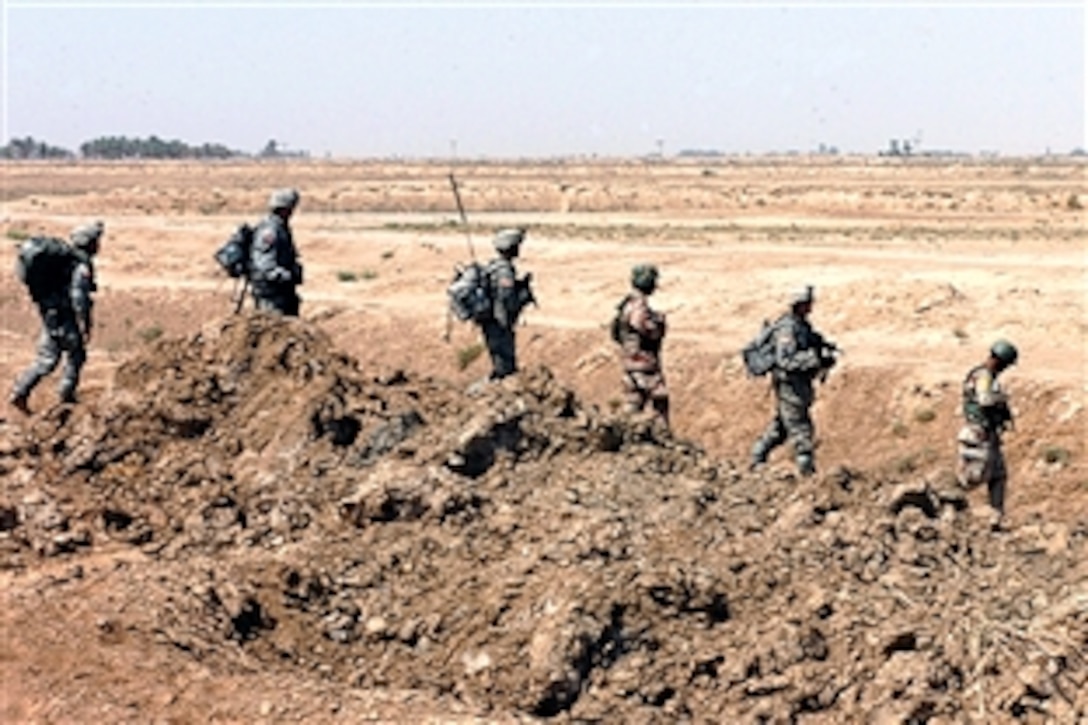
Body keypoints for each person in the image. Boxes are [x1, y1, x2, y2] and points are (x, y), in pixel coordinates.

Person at [10, 221, 103, 412]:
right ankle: (65, 396)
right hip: (64, 316)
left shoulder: (65, 259)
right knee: (76, 355)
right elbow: (79, 297)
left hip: (50, 313)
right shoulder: (79, 265)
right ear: (90, 244)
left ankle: (20, 392)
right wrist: (85, 323)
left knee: (47, 358)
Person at [749, 285, 837, 476]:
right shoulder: (787, 329)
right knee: (801, 430)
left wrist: (824, 348)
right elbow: (785, 360)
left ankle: (757, 457)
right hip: (790, 385)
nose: (811, 307)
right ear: (799, 305)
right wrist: (814, 358)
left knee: (781, 428)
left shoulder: (801, 325)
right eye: (807, 303)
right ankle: (807, 472)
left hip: (800, 385)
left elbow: (813, 341)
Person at [957, 340, 1018, 522]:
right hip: (979, 435)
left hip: (988, 435)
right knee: (974, 477)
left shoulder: (985, 375)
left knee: (999, 475)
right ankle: (944, 499)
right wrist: (1001, 399)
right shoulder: (984, 377)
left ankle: (996, 517)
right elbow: (984, 399)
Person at [615, 264, 669, 428]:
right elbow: (641, 325)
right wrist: (658, 324)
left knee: (633, 403)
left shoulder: (626, 303)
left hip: (631, 361)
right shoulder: (638, 305)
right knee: (660, 401)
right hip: (644, 362)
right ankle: (663, 437)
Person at [479, 228, 531, 380]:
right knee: (504, 361)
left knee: (501, 359)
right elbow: (506, 297)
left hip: (494, 320)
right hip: (499, 321)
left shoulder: (494, 266)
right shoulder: (504, 271)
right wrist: (521, 294)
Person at [249, 188, 303, 316]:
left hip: (282, 292)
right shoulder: (270, 231)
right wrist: (286, 276)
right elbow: (265, 266)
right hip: (271, 295)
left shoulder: (280, 227)